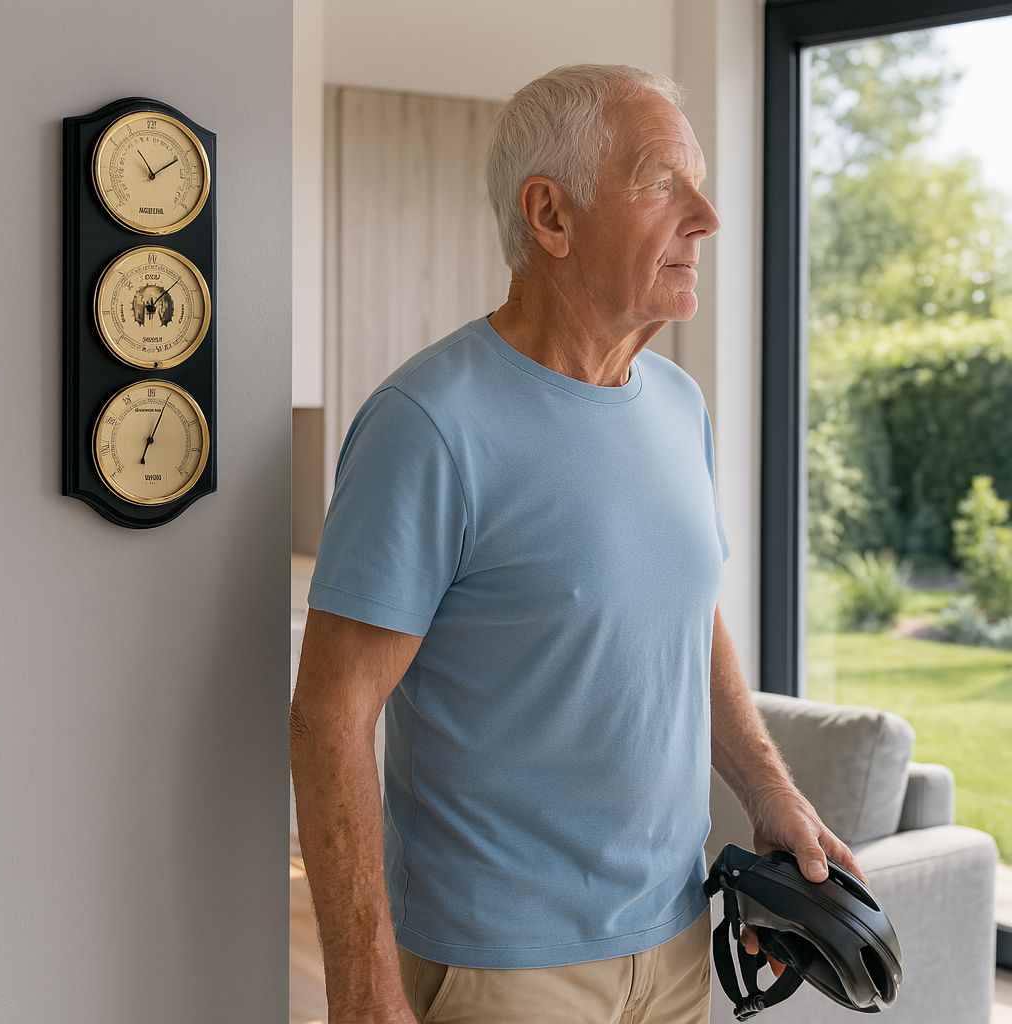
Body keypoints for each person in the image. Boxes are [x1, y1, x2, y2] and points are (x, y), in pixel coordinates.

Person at [290, 63, 864, 1024]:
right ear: (551, 218)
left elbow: (687, 618)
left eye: (699, 180)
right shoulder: (428, 424)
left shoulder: (680, 407)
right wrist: (362, 985)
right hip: (504, 971)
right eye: (661, 182)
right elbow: (330, 716)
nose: (708, 216)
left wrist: (771, 792)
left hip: (675, 946)